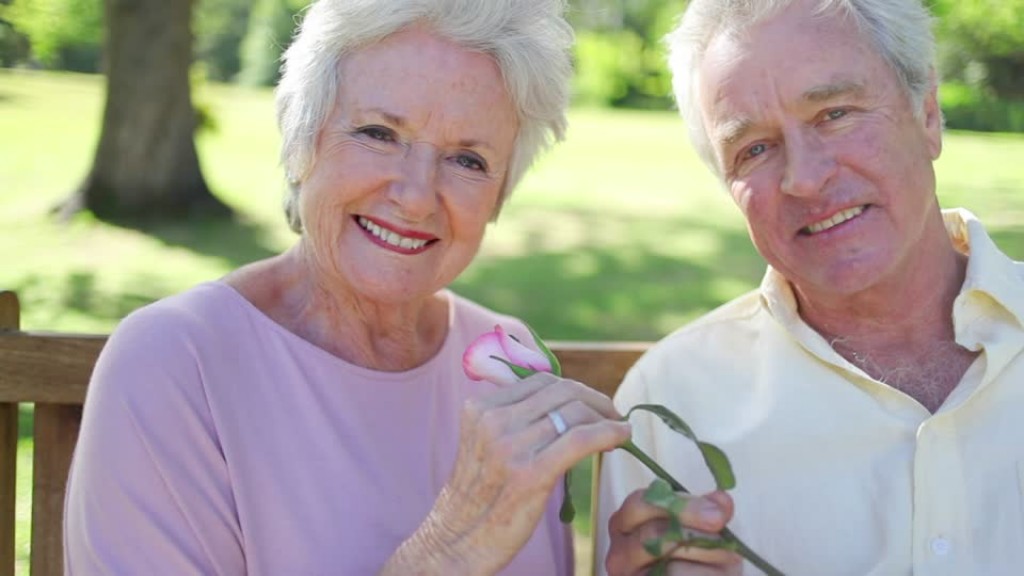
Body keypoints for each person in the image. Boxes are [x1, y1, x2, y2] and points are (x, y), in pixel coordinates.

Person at [63, 0, 632, 574]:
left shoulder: (508, 361)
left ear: (500, 192)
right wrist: (451, 550)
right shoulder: (174, 364)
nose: (415, 195)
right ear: (301, 142)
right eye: (379, 133)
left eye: (467, 159)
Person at [596, 0, 1024, 574]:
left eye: (835, 114)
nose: (805, 177)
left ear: (927, 114)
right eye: (754, 149)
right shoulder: (670, 405)